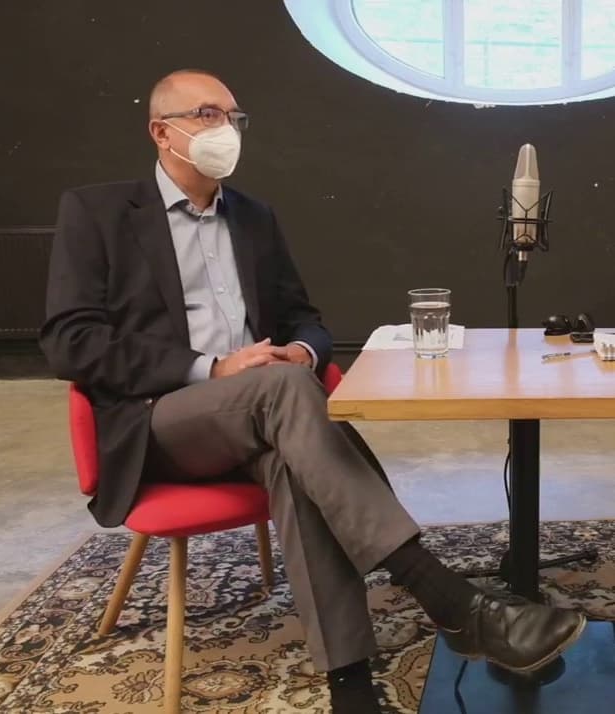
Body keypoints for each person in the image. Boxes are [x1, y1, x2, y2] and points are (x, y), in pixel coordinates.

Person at [40, 69, 585, 713]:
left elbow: (305, 319)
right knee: (282, 390)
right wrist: (211, 368)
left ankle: (351, 688)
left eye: (234, 117)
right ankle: (447, 598)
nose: (226, 129)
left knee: (292, 456)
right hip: (161, 422)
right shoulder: (99, 212)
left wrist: (301, 350)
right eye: (208, 114)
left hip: (268, 416)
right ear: (162, 132)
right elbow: (70, 342)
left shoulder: (253, 218)